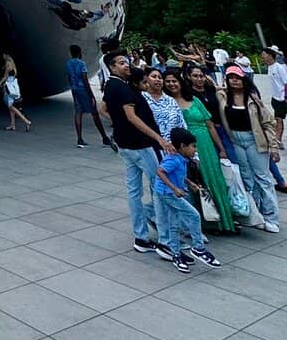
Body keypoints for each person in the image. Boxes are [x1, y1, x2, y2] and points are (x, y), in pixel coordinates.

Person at [101, 49, 171, 257]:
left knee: (134, 191)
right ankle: (166, 238)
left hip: (125, 145)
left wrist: (116, 123)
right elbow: (132, 117)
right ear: (112, 67)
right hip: (139, 145)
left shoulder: (112, 85)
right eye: (121, 63)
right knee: (158, 185)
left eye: (127, 62)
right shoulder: (122, 88)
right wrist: (158, 138)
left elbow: (102, 109)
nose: (126, 65)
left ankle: (140, 236)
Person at [167, 69, 237, 233]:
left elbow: (210, 125)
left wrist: (221, 148)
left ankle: (225, 221)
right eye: (168, 81)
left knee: (215, 179)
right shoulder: (167, 103)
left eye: (174, 81)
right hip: (186, 149)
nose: (172, 84)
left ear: (181, 82)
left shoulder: (194, 100)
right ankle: (208, 223)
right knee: (199, 183)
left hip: (206, 145)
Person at [216, 65, 280, 233]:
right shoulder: (223, 97)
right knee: (247, 178)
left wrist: (273, 146)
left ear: (244, 79)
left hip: (255, 139)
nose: (234, 81)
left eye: (237, 77)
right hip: (236, 140)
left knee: (263, 177)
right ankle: (256, 214)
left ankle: (271, 216)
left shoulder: (252, 98)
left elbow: (268, 122)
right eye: (231, 78)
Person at [155, 127, 222, 273]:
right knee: (194, 215)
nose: (194, 150)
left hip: (169, 192)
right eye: (193, 146)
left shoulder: (182, 159)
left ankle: (176, 255)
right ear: (183, 146)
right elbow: (159, 171)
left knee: (173, 223)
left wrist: (189, 183)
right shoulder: (174, 160)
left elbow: (178, 174)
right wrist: (175, 189)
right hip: (168, 194)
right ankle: (199, 248)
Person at [66, 45, 112, 149]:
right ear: (79, 52)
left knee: (78, 112)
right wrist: (91, 95)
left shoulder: (68, 63)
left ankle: (79, 138)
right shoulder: (81, 64)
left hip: (75, 89)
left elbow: (68, 76)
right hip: (83, 90)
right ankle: (104, 137)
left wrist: (72, 87)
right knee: (94, 113)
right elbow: (85, 80)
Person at [0, 56, 31, 133]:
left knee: (11, 107)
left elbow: (5, 76)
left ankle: (27, 121)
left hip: (9, 88)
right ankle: (12, 125)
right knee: (11, 108)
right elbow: (13, 76)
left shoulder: (7, 64)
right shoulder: (13, 65)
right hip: (14, 87)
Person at [262, 48, 287, 145]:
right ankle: (278, 139)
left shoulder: (279, 67)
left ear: (270, 55)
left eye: (263, 54)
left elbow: (286, 83)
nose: (262, 57)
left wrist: (285, 97)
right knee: (278, 119)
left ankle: (278, 140)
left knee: (278, 120)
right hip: (275, 98)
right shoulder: (269, 67)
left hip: (282, 98)